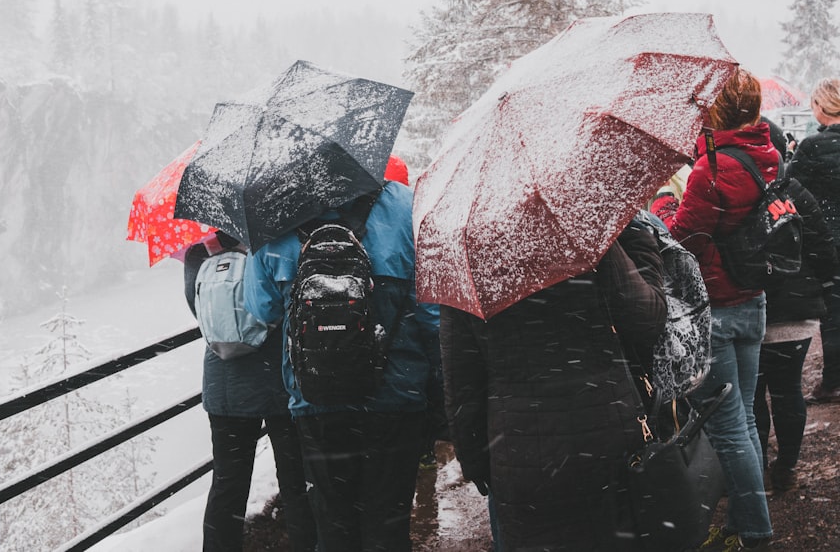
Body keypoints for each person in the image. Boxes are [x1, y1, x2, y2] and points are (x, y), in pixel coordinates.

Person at [441, 218, 667, 550]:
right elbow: (647, 320)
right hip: (608, 436)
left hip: (520, 453)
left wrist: (475, 460)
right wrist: (623, 237)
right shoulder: (585, 230)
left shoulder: (464, 258)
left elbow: (461, 382)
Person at [244, 179, 438, 552]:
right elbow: (430, 312)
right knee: (389, 522)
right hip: (396, 393)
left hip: (316, 397)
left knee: (334, 525)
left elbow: (261, 307)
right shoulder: (402, 204)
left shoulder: (273, 213)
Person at [650, 67, 774, 550]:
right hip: (753, 300)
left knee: (728, 429)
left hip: (717, 310)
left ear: (714, 110)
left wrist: (663, 201)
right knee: (743, 419)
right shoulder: (765, 152)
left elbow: (685, 240)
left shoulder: (711, 168)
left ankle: (758, 532)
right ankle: (747, 519)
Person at [183, 232, 317, 552]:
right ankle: (306, 544)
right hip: (278, 383)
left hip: (224, 385)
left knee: (228, 485)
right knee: (295, 480)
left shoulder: (198, 252)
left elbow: (200, 309)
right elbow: (285, 304)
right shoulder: (274, 242)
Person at [753, 148, 837, 492]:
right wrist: (821, 289)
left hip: (750, 308)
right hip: (796, 313)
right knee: (788, 391)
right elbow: (822, 247)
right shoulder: (796, 192)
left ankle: (754, 470)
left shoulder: (731, 191)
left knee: (753, 397)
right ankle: (786, 467)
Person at [788, 77, 840, 404]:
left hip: (828, 241)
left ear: (820, 107)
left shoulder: (812, 147)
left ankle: (833, 381)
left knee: (833, 313)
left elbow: (788, 186)